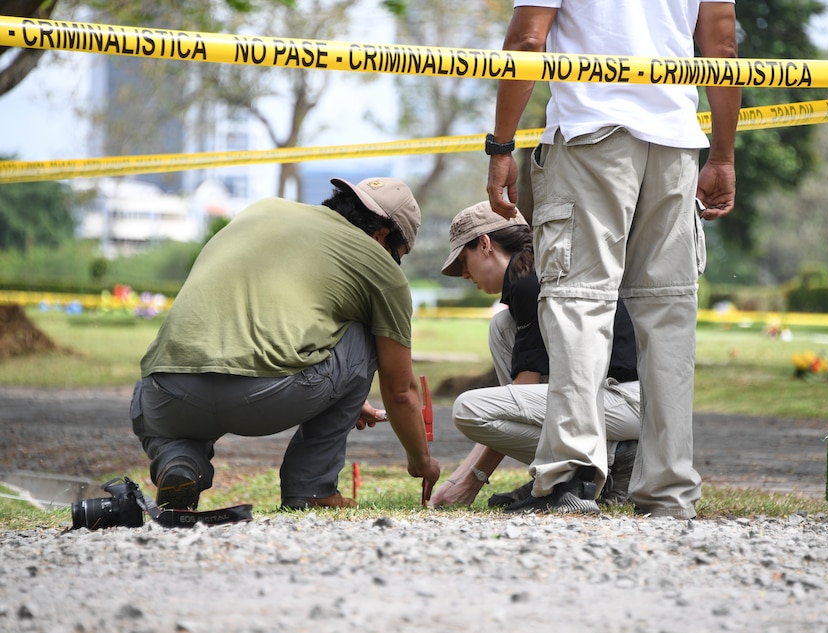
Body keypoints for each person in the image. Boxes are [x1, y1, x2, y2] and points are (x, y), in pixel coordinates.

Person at [486, 1, 740, 518]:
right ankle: (669, 490)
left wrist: (501, 145)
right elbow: (723, 49)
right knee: (668, 315)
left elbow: (529, 41)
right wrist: (722, 155)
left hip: (591, 131)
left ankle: (569, 477)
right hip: (673, 143)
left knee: (580, 302)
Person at [129, 177, 441, 511]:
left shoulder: (264, 208)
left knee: (168, 377)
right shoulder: (380, 266)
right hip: (264, 399)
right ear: (383, 236)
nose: (395, 264)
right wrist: (422, 462)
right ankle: (311, 488)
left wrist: (345, 399)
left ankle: (179, 461)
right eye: (399, 255)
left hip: (167, 393)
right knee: (368, 336)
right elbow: (399, 391)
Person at [428, 201, 641, 511]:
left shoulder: (530, 281)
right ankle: (588, 467)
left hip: (625, 400)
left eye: (464, 260)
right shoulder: (530, 271)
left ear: (485, 244)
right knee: (501, 326)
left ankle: (603, 461)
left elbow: (521, 395)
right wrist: (458, 481)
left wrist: (469, 480)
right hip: (606, 401)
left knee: (468, 409)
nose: (463, 275)